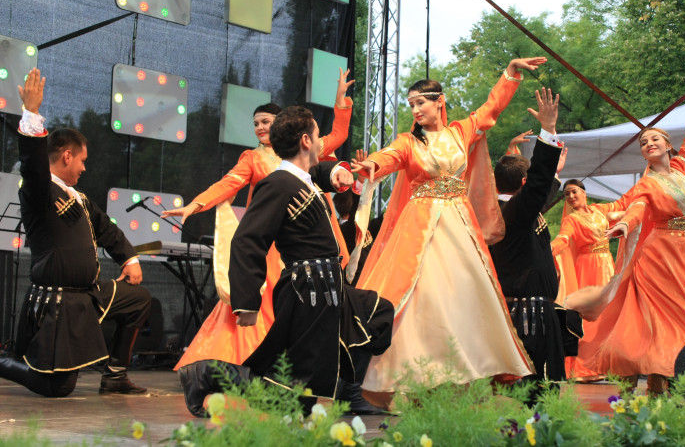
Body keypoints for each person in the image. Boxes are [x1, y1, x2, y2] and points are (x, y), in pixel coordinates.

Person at [351, 57, 546, 404]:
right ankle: (414, 376)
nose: (415, 110)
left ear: (439, 101)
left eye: (420, 103)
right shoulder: (409, 142)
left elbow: (490, 110)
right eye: (411, 105)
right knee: (422, 297)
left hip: (458, 223)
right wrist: (371, 164)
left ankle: (465, 376)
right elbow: (389, 156)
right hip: (419, 226)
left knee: (464, 294)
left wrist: (510, 73)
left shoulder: (460, 132)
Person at [178, 106, 392, 416]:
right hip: (307, 290)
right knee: (295, 390)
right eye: (317, 136)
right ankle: (207, 373)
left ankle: (348, 393)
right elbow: (247, 240)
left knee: (378, 313)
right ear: (306, 141)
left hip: (328, 287)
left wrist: (337, 171)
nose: (321, 143)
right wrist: (246, 302)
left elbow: (319, 173)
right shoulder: (277, 184)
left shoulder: (301, 179)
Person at [165, 68, 355, 371]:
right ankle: (258, 364)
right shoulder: (252, 159)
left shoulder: (307, 147)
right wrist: (195, 205)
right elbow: (228, 184)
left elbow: (339, 136)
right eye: (255, 123)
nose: (259, 128)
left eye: (265, 122)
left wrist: (341, 104)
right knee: (270, 300)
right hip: (275, 245)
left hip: (309, 240)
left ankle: (308, 363)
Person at [565, 83, 685, 393]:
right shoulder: (647, 184)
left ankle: (667, 379)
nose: (648, 144)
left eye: (654, 139)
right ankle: (654, 379)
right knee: (662, 318)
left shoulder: (679, 168)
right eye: (643, 142)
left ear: (667, 145)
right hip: (661, 256)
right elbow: (636, 206)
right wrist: (625, 224)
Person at [0, 69, 151, 396]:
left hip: (89, 293)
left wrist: (130, 259)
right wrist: (31, 113)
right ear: (67, 156)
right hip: (61, 300)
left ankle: (115, 375)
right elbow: (32, 165)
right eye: (82, 160)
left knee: (139, 299)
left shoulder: (78, 198)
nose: (84, 167)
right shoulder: (38, 191)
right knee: (57, 387)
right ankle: (2, 363)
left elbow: (107, 230)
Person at [489, 88, 566, 383]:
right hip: (528, 315)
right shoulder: (514, 213)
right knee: (536, 392)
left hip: (530, 309)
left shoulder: (502, 211)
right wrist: (548, 131)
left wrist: (553, 175)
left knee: (533, 389)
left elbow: (539, 196)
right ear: (524, 183)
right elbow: (536, 189)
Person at [551, 179, 615, 380]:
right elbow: (564, 238)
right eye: (567, 194)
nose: (571, 197)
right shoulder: (571, 220)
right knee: (589, 316)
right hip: (588, 268)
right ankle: (584, 368)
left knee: (609, 315)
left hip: (607, 265)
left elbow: (621, 207)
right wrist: (548, 251)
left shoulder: (598, 210)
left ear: (584, 192)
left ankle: (606, 364)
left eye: (574, 192)